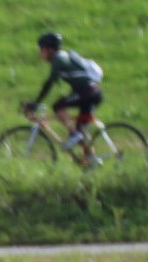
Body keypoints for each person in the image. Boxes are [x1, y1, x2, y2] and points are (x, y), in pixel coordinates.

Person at [28, 31, 106, 165]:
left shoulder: (58, 60)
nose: (40, 52)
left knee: (58, 106)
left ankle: (73, 134)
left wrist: (36, 103)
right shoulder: (62, 57)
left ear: (50, 49)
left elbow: (49, 83)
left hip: (88, 93)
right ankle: (91, 160)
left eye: (42, 49)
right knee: (81, 129)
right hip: (92, 93)